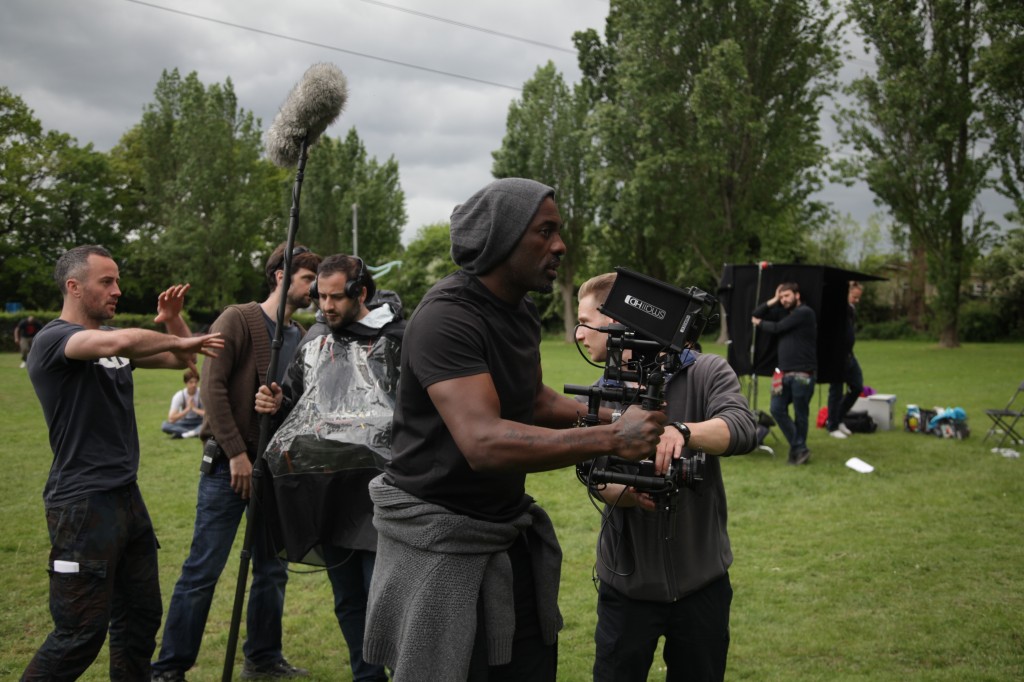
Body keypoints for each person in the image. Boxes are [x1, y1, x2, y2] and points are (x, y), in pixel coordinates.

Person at [363, 178, 667, 682]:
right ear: (503, 239)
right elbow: (483, 442)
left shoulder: (519, 312)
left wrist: (611, 417)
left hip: (503, 530)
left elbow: (533, 399)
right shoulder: (447, 317)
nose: (561, 246)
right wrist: (614, 439)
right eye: (545, 231)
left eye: (559, 231)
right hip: (442, 539)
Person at [23, 245, 223, 680]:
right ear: (74, 287)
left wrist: (172, 321)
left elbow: (181, 360)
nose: (117, 289)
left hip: (125, 499)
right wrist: (181, 337)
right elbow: (120, 340)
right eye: (107, 281)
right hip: (81, 505)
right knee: (79, 634)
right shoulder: (55, 339)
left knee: (139, 621)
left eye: (117, 280)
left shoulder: (109, 347)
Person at [576, 272, 758, 681]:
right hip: (626, 588)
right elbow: (597, 479)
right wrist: (631, 492)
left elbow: (742, 427)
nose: (579, 335)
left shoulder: (706, 371)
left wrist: (683, 432)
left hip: (702, 583)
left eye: (585, 321)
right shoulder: (595, 396)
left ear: (618, 321)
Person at [151, 244, 321, 682]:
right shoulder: (238, 319)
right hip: (228, 468)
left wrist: (281, 402)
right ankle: (170, 668)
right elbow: (212, 387)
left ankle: (263, 658)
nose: (315, 289)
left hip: (274, 473)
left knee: (271, 570)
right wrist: (237, 453)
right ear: (281, 277)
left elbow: (296, 404)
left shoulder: (300, 337)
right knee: (202, 570)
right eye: (307, 279)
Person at [255, 254, 402, 682]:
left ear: (363, 293)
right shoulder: (315, 338)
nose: (326, 306)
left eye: (336, 297)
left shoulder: (396, 339)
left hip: (380, 495)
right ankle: (367, 678)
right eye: (320, 296)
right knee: (348, 601)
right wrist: (275, 403)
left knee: (384, 601)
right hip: (328, 492)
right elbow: (297, 402)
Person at [752, 282, 817, 465]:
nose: (784, 300)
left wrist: (760, 324)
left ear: (797, 295)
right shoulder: (784, 312)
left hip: (803, 375)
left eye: (786, 296)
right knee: (776, 409)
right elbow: (756, 313)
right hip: (783, 374)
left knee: (800, 414)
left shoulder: (805, 313)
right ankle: (800, 448)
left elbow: (778, 327)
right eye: (781, 297)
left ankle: (798, 451)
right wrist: (773, 299)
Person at [826, 281, 864, 439]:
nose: (857, 300)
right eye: (854, 296)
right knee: (836, 390)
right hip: (836, 356)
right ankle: (832, 425)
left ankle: (839, 417)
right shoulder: (839, 309)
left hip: (849, 354)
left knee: (857, 386)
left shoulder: (851, 310)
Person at [161, 368, 205, 438]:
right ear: (185, 383)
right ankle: (193, 433)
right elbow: (171, 418)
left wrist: (194, 409)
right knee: (165, 425)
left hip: (199, 421)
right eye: (191, 382)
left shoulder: (202, 394)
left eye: (196, 382)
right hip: (184, 422)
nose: (194, 385)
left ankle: (183, 434)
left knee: (211, 424)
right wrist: (187, 410)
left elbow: (209, 415)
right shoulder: (179, 396)